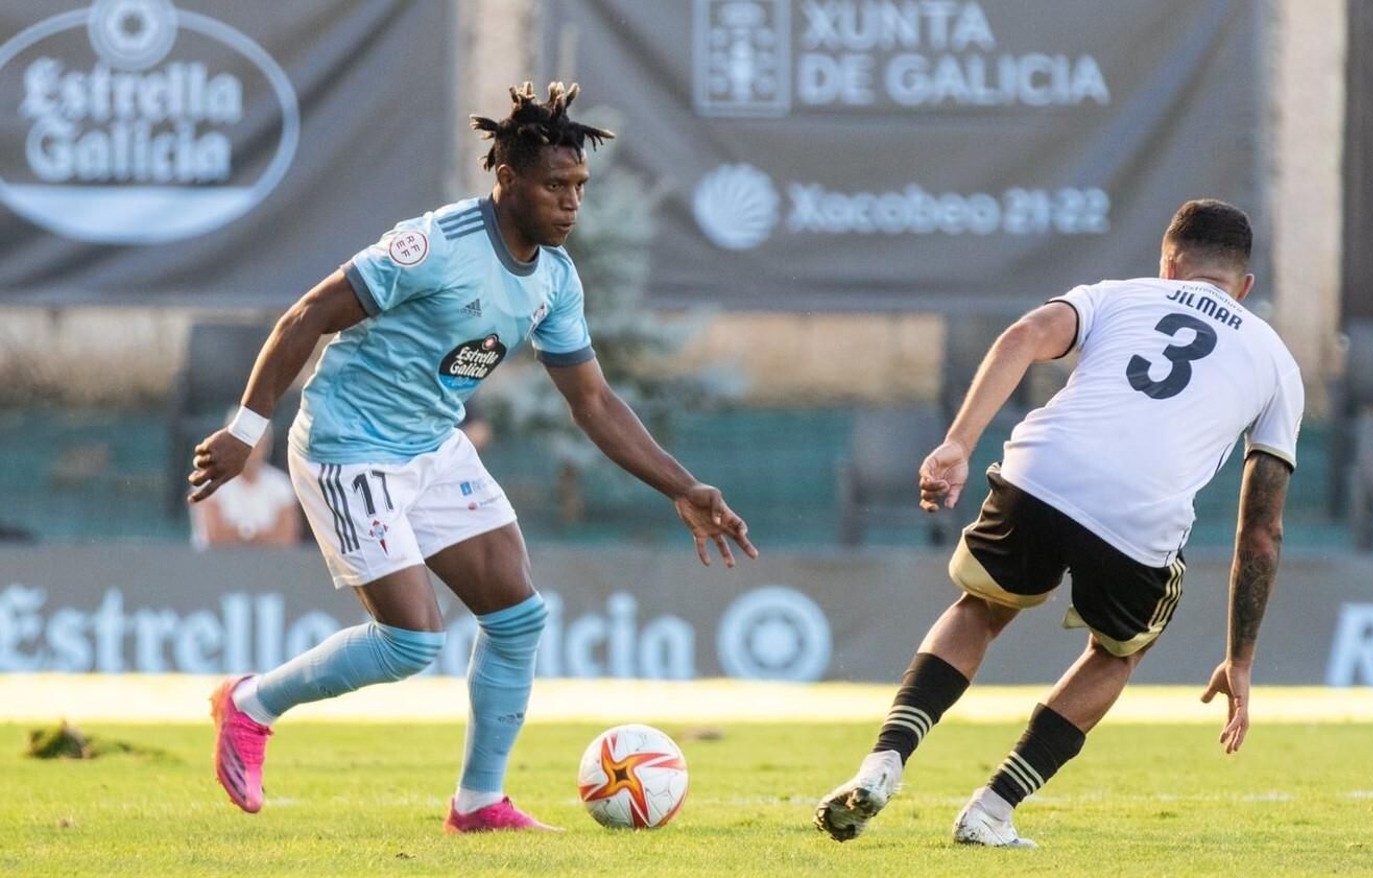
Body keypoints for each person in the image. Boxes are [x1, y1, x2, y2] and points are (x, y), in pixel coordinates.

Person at [187, 82, 758, 833]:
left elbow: (593, 402)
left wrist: (682, 487)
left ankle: (479, 803)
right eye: (555, 186)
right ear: (508, 180)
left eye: (580, 186)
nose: (572, 204)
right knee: (411, 642)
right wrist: (245, 426)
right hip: (349, 446)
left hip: (432, 444)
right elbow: (308, 314)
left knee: (518, 619)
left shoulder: (555, 279)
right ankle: (250, 703)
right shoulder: (435, 245)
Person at [815, 199, 1302, 847]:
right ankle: (991, 811)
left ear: (1168, 264)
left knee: (982, 605)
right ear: (1244, 286)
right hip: (1140, 513)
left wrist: (958, 443)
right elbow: (1261, 531)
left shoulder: (1117, 295)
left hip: (1043, 470)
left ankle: (883, 761)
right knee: (1120, 648)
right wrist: (1240, 659)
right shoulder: (1277, 362)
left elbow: (1022, 336)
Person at [189, 413, 302, 549]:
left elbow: (287, 538)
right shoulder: (208, 480)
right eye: (245, 442)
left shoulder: (281, 484)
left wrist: (242, 535)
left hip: (268, 562)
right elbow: (215, 536)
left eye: (258, 443)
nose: (252, 450)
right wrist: (259, 536)